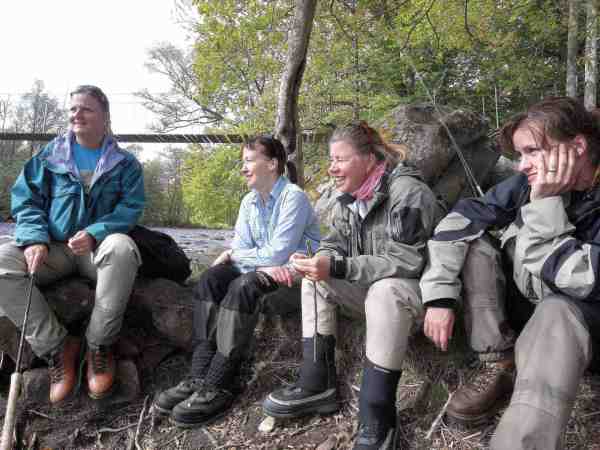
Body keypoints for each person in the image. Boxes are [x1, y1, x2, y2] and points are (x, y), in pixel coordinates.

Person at [420, 96, 600, 449]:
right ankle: (498, 362)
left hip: (581, 326)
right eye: (520, 155)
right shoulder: (528, 184)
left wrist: (545, 203)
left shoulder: (546, 190)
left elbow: (581, 279)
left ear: (577, 147)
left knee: (558, 310)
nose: (522, 166)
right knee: (475, 244)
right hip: (534, 308)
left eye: (532, 152)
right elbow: (459, 221)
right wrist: (440, 296)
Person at [262, 122, 442, 449]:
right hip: (375, 294)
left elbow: (409, 261)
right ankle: (318, 384)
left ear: (370, 159)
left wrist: (340, 266)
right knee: (315, 280)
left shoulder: (408, 193)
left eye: (340, 159)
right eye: (331, 159)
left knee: (384, 291)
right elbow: (335, 243)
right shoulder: (352, 196)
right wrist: (320, 259)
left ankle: (377, 414)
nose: (332, 168)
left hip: (418, 299)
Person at [153, 135, 321, 428]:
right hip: (269, 273)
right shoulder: (248, 201)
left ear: (272, 163)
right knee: (212, 278)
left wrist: (235, 253)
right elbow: (252, 255)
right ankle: (198, 375)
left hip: (296, 279)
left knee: (242, 285)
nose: (243, 168)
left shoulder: (293, 197)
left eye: (248, 161)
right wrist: (246, 258)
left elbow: (278, 252)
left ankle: (219, 382)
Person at [0, 85, 145, 403]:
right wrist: (35, 239)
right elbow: (26, 202)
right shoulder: (48, 157)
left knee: (122, 247)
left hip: (98, 251)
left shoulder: (125, 164)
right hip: (52, 248)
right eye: (72, 109)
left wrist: (95, 232)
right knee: (1, 263)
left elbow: (130, 210)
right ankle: (58, 347)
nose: (76, 115)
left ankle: (99, 346)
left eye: (86, 109)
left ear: (105, 117)